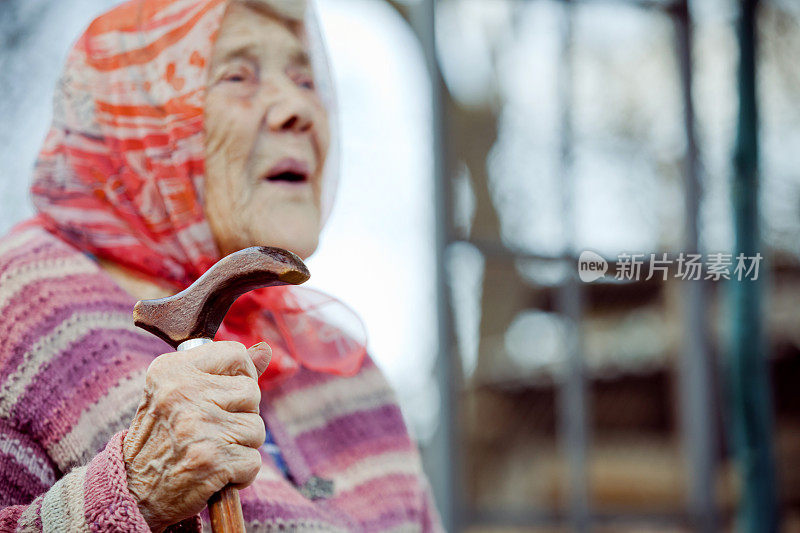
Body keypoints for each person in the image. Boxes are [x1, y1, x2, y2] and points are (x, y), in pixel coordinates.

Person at [0, 0, 443, 531]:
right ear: (139, 112)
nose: (297, 110)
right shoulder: (19, 310)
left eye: (305, 79)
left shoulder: (347, 372)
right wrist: (136, 489)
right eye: (238, 75)